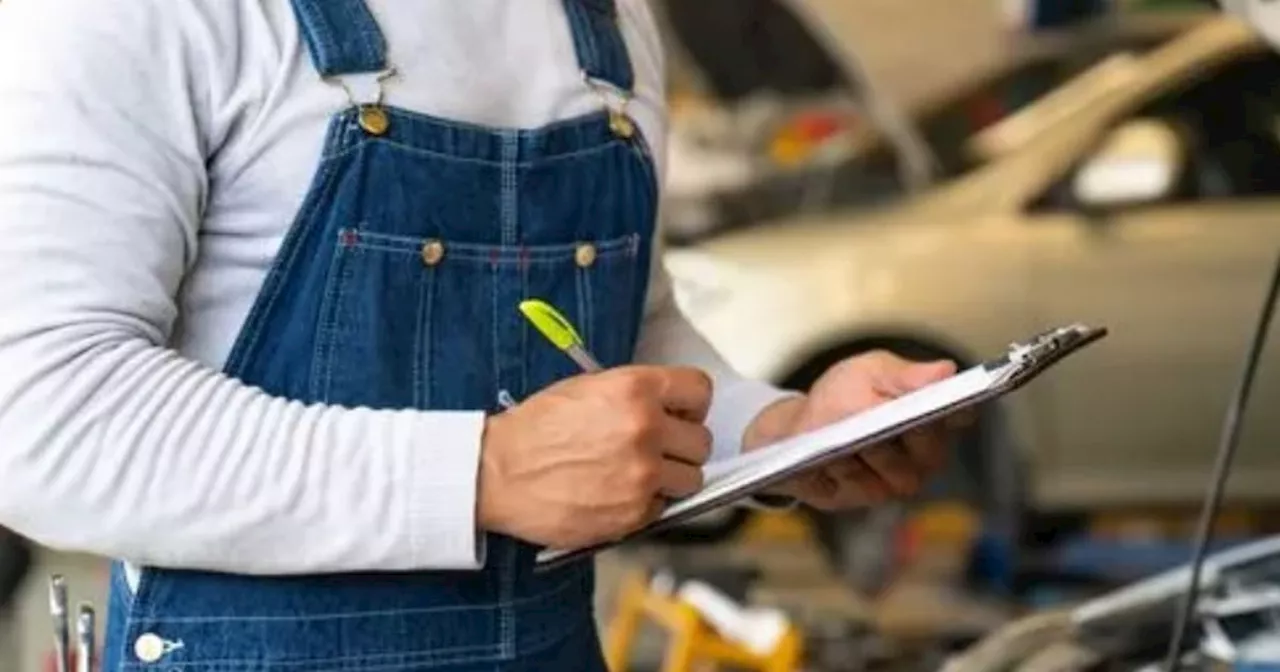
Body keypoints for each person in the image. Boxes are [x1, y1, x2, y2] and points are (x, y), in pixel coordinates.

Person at [0, 1, 964, 669]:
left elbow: (627, 334)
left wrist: (780, 431)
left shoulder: (610, 28)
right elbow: (41, 416)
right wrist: (482, 472)